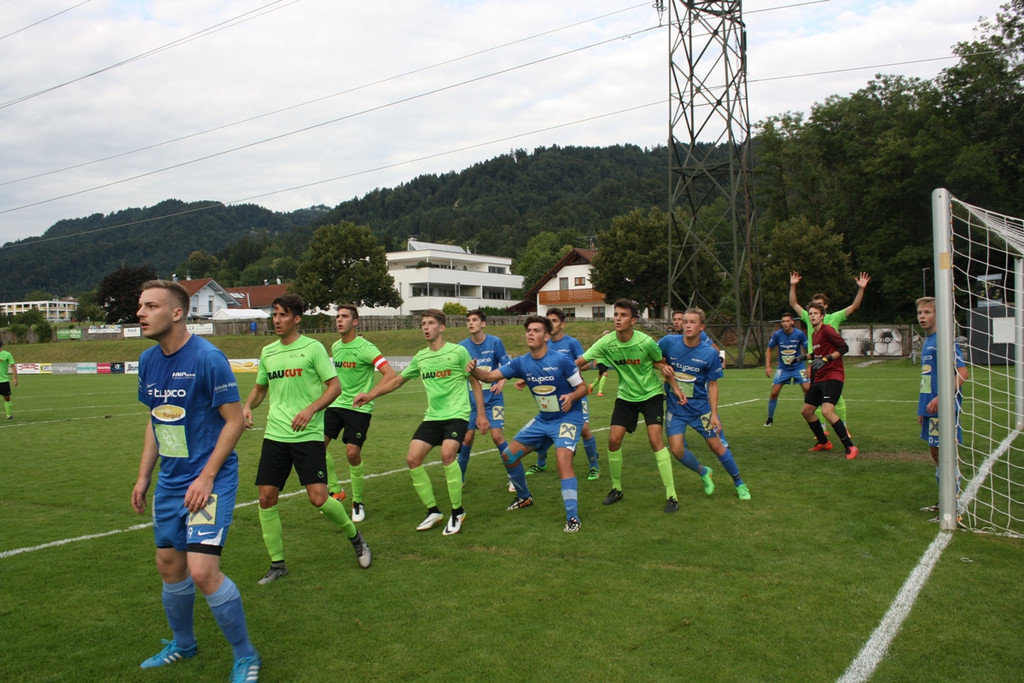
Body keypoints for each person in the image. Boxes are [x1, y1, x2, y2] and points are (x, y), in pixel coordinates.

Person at [131, 280, 261, 682]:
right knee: (169, 564)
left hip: (209, 480)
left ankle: (246, 656)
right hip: (171, 482)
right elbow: (156, 421)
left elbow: (235, 419)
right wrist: (143, 476)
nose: (140, 312)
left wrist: (206, 476)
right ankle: (183, 644)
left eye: (150, 306)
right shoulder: (148, 360)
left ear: (176, 313)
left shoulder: (208, 358)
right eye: (140, 306)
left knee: (203, 572)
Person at [243, 294, 370, 584]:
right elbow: (261, 388)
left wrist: (311, 410)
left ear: (297, 318)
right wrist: (248, 405)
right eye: (274, 314)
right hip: (275, 434)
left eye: (283, 315)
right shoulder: (268, 352)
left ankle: (355, 537)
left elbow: (335, 387)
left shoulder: (312, 349)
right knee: (266, 497)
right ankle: (277, 565)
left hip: (308, 435)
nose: (277, 320)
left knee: (319, 499)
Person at [353, 309, 488, 535]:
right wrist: (371, 394)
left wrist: (481, 414)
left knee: (447, 455)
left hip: (457, 415)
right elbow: (397, 382)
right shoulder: (421, 357)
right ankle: (433, 511)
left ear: (441, 327)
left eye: (430, 323)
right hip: (433, 417)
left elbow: (475, 382)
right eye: (423, 324)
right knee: (413, 459)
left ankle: (458, 512)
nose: (425, 327)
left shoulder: (458, 352)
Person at [471, 315, 589, 532]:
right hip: (543, 419)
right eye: (528, 331)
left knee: (563, 462)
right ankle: (524, 497)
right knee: (509, 455)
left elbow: (583, 388)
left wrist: (571, 398)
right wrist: (472, 369)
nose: (530, 334)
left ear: (546, 336)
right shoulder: (520, 362)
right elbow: (488, 377)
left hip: (567, 418)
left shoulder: (561, 360)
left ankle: (573, 517)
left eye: (536, 330)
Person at [578, 298, 685, 511]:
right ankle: (616, 488)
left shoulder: (645, 342)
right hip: (626, 397)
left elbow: (660, 363)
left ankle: (671, 495)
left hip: (651, 395)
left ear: (633, 320)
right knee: (613, 441)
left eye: (623, 315)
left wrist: (675, 388)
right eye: (616, 314)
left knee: (655, 440)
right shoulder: (606, 343)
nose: (618, 319)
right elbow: (579, 362)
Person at [660, 307, 750, 501]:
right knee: (676, 449)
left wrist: (715, 414)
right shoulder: (668, 342)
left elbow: (713, 385)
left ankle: (739, 482)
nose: (687, 325)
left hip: (701, 410)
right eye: (685, 322)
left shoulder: (709, 353)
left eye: (692, 322)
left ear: (702, 327)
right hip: (676, 409)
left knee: (717, 447)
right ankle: (703, 472)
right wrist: (662, 367)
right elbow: (653, 358)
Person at [324, 304, 396, 522]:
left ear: (355, 322)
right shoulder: (335, 346)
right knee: (316, 445)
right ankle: (335, 490)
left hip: (359, 407)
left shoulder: (366, 348)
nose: (339, 320)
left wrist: (371, 394)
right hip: (336, 404)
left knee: (352, 454)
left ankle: (357, 502)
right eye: (337, 316)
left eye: (344, 316)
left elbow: (389, 373)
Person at [525, 308, 601, 482]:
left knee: (584, 429)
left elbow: (587, 365)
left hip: (575, 393)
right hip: (552, 396)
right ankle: (541, 463)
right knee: (545, 428)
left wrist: (565, 367)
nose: (551, 324)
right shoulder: (545, 344)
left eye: (554, 320)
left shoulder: (572, 343)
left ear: (562, 324)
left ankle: (594, 466)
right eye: (548, 320)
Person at [790, 271, 870, 430]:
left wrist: (861, 289)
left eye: (819, 305)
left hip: (831, 365)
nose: (813, 312)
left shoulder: (834, 318)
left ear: (825, 307)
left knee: (837, 399)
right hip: (815, 364)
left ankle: (844, 429)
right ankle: (823, 431)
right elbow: (793, 304)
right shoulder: (809, 317)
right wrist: (793, 285)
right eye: (813, 305)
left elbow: (854, 307)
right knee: (814, 400)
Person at [916, 296, 969, 517]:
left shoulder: (943, 340)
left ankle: (953, 503)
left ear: (938, 315)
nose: (922, 316)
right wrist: (922, 409)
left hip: (945, 408)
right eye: (920, 313)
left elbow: (963, 373)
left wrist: (943, 397)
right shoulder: (928, 341)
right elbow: (928, 378)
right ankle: (945, 499)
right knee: (936, 452)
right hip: (931, 409)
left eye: (927, 312)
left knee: (946, 453)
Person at [457, 309, 511, 483]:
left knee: (497, 436)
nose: (470, 323)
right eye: (468, 321)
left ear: (483, 323)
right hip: (470, 401)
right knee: (466, 438)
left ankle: (513, 475)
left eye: (474, 320)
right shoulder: (462, 346)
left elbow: (507, 364)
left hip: (493, 399)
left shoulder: (495, 342)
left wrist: (502, 380)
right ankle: (460, 478)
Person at [802, 302, 858, 459]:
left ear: (822, 316)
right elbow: (817, 355)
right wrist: (802, 357)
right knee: (806, 411)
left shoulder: (827, 330)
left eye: (815, 313)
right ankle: (823, 442)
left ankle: (850, 447)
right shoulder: (814, 334)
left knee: (827, 411)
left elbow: (844, 347)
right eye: (810, 313)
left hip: (833, 376)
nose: (812, 316)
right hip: (819, 377)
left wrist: (827, 359)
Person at [764, 311, 810, 426]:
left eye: (787, 321)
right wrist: (768, 366)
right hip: (783, 368)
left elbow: (809, 350)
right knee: (774, 392)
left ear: (792, 322)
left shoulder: (799, 334)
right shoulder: (777, 335)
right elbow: (769, 349)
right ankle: (770, 419)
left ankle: (810, 414)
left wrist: (809, 366)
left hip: (798, 367)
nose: (785, 323)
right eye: (783, 321)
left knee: (808, 389)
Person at [0, 338, 16, 420]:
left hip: (4, 380)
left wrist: (14, 378)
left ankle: (8, 415)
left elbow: (13, 366)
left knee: (7, 398)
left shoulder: (7, 354)